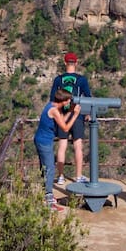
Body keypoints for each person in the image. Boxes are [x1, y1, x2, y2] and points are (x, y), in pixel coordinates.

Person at [34, 88, 81, 211]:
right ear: (64, 101)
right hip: (44, 142)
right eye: (69, 100)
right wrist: (75, 114)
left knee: (45, 168)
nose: (70, 102)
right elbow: (65, 128)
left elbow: (62, 121)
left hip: (42, 140)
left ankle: (45, 195)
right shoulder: (54, 110)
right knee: (49, 169)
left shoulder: (52, 105)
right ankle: (48, 201)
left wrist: (70, 112)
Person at [49, 52, 91, 185]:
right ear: (76, 63)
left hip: (62, 115)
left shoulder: (58, 79)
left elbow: (52, 100)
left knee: (62, 146)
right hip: (77, 115)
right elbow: (88, 97)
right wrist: (87, 113)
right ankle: (78, 176)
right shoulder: (81, 79)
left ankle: (60, 176)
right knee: (78, 146)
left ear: (65, 62)